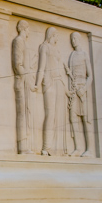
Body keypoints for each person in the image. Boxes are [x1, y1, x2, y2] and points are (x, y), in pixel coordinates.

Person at [34, 27, 68, 155]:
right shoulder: (44, 47)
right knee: (50, 114)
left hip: (59, 82)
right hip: (49, 82)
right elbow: (41, 67)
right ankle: (46, 147)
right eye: (56, 35)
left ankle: (57, 148)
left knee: (59, 115)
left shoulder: (57, 49)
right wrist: (37, 83)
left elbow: (60, 69)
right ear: (51, 35)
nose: (57, 38)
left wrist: (66, 88)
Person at [66, 32, 94, 156]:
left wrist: (84, 89)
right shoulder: (72, 55)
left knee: (85, 119)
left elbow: (91, 76)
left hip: (82, 88)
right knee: (72, 117)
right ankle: (78, 147)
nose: (73, 41)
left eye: (75, 38)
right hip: (74, 88)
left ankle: (90, 149)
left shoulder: (84, 54)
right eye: (72, 39)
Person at [12, 20, 34, 153]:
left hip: (27, 80)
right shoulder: (18, 41)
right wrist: (27, 79)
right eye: (28, 28)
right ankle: (22, 146)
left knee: (28, 112)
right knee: (22, 113)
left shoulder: (24, 42)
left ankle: (28, 145)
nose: (29, 31)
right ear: (24, 28)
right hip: (22, 81)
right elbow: (17, 64)